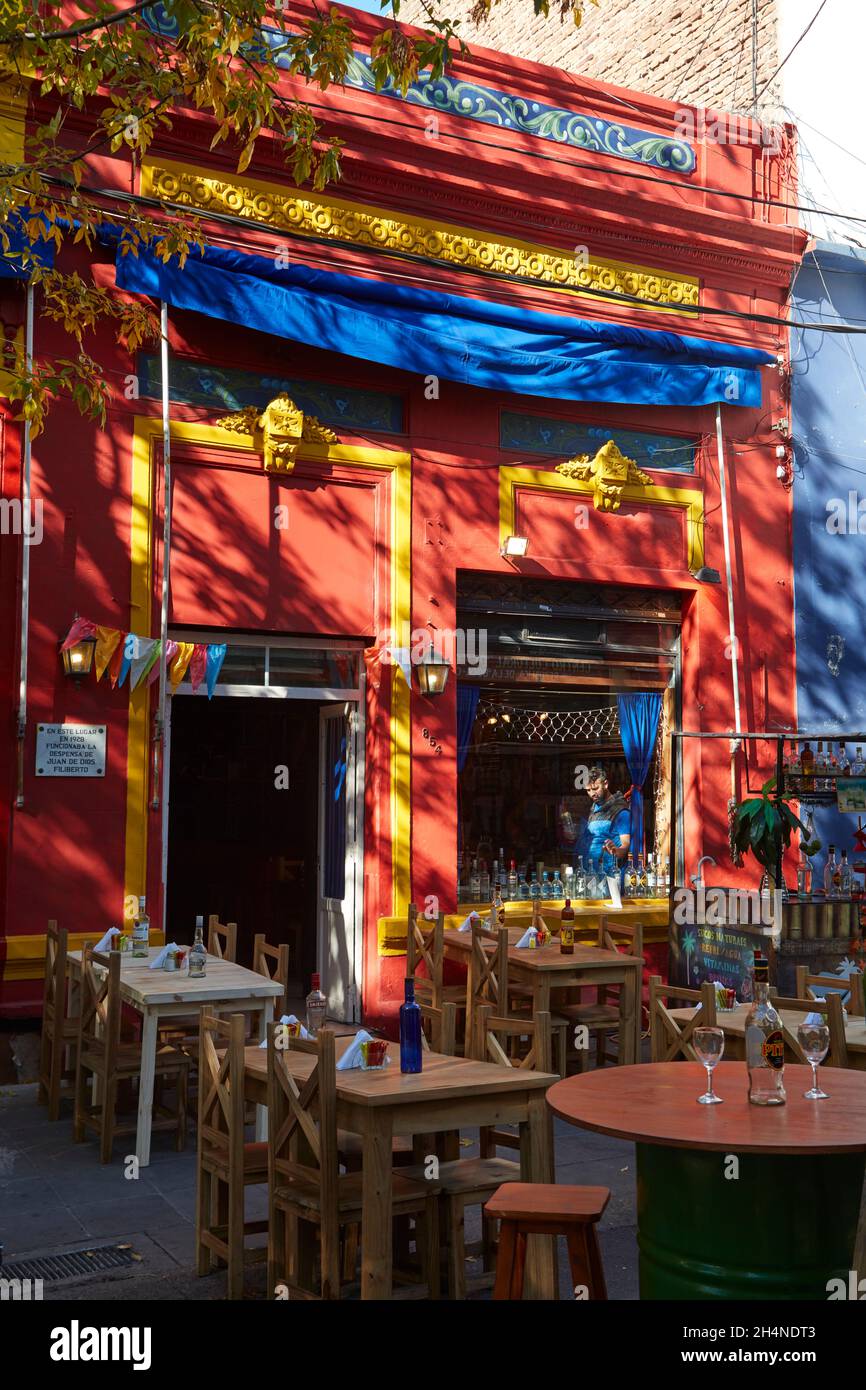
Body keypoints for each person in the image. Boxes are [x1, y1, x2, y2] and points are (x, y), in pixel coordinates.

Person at [583, 764, 631, 882]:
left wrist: (615, 851)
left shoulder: (621, 812)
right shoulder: (594, 808)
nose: (592, 794)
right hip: (589, 873)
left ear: (605, 784)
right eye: (588, 790)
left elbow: (625, 847)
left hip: (609, 876)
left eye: (595, 789)